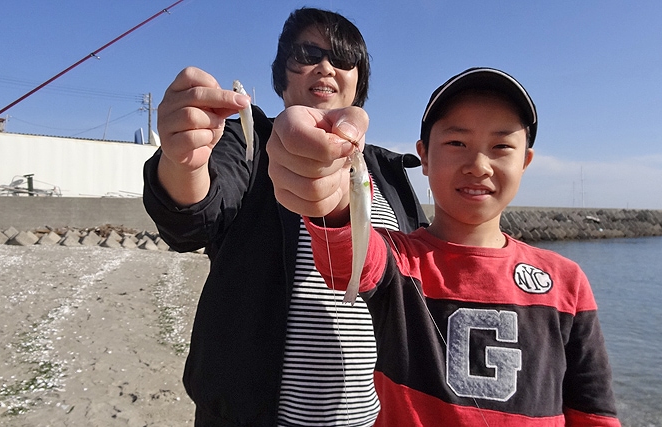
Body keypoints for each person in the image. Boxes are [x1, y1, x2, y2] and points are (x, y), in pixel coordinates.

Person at [269, 67, 621, 426]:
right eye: (457, 143)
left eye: (501, 146)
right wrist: (327, 189)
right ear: (424, 156)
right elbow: (352, 254)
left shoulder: (566, 282)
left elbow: (593, 411)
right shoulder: (400, 262)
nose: (478, 165)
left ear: (526, 161)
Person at [142, 7, 428, 426]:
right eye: (306, 54)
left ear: (358, 79)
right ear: (282, 75)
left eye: (343, 58)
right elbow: (192, 220)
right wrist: (184, 161)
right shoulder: (248, 141)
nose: (326, 66)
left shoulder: (386, 171)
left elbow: (421, 283)